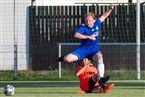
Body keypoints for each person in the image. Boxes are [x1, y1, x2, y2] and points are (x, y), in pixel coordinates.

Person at [58, 4, 114, 80]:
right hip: (83, 50)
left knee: (100, 57)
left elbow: (104, 16)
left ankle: (101, 78)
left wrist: (110, 9)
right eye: (86, 20)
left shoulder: (97, 23)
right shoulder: (83, 27)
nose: (88, 22)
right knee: (68, 59)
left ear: (93, 20)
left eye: (89, 20)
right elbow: (76, 35)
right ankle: (63, 57)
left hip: (93, 51)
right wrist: (88, 36)